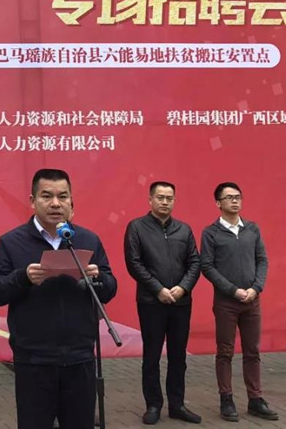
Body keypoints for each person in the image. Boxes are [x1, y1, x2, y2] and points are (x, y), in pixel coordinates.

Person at [0, 168, 117, 429]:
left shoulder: (88, 240)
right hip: (33, 360)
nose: (56, 203)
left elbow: (110, 289)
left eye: (62, 196)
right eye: (47, 196)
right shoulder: (12, 242)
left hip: (80, 358)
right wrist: (23, 277)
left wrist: (98, 277)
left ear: (71, 201)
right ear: (32, 201)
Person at [123, 182, 201, 425]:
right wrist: (158, 289)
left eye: (169, 198)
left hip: (180, 302)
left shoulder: (184, 229)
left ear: (174, 200)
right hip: (151, 302)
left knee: (178, 357)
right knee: (152, 356)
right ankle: (153, 405)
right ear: (150, 200)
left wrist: (183, 288)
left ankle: (177, 405)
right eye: (160, 197)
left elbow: (195, 262)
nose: (165, 202)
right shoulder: (137, 227)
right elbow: (134, 263)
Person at [200, 182, 279, 422]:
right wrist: (233, 291)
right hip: (226, 302)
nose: (235, 201)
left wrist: (256, 288)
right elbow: (207, 266)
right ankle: (226, 398)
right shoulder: (211, 233)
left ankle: (255, 399)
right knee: (225, 352)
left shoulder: (252, 229)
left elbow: (262, 260)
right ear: (218, 203)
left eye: (238, 197)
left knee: (252, 351)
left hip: (252, 301)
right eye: (229, 197)